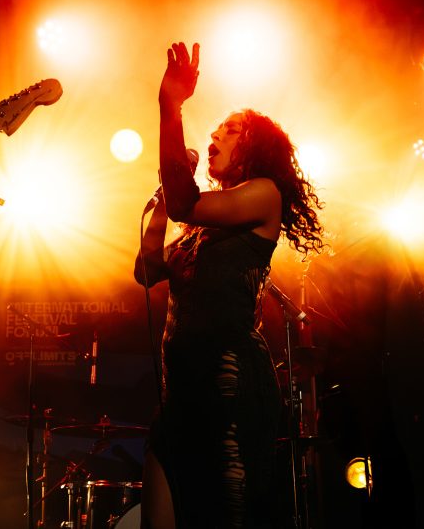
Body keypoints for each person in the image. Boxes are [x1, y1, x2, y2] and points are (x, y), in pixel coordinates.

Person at [134, 42, 324, 529]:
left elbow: (184, 203)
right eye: (215, 128)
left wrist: (170, 106)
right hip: (179, 394)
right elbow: (148, 270)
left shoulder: (263, 195)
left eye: (230, 130)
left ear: (255, 148)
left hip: (228, 387)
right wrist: (158, 211)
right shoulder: (203, 222)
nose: (215, 135)